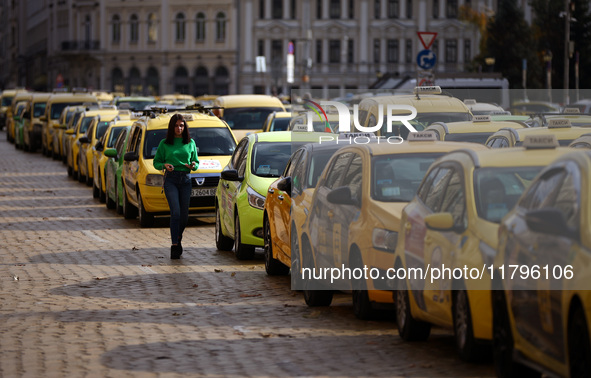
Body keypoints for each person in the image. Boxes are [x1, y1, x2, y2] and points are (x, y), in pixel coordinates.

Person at [153, 113, 199, 259]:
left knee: (184, 216)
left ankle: (178, 238)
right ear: (171, 127)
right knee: (176, 212)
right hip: (171, 180)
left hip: (185, 180)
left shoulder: (190, 142)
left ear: (185, 127)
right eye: (176, 125)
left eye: (181, 125)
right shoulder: (164, 143)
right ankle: (174, 245)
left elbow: (196, 163)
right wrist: (164, 165)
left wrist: (192, 165)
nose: (179, 128)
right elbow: (156, 162)